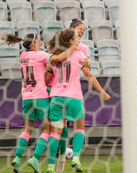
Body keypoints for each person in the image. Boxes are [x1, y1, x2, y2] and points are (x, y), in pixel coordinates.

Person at [0, 33, 79, 173]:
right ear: (32, 44)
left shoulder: (22, 56)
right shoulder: (40, 55)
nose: (40, 41)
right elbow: (60, 58)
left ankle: (17, 158)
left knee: (27, 129)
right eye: (38, 39)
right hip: (41, 97)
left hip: (26, 97)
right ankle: (35, 159)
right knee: (48, 130)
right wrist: (72, 48)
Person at [46, 28, 110, 173]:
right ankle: (76, 157)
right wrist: (87, 62)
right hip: (74, 96)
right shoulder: (77, 54)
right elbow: (87, 64)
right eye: (76, 36)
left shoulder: (54, 55)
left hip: (56, 97)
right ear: (71, 41)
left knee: (55, 133)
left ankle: (50, 166)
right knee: (79, 128)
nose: (79, 38)